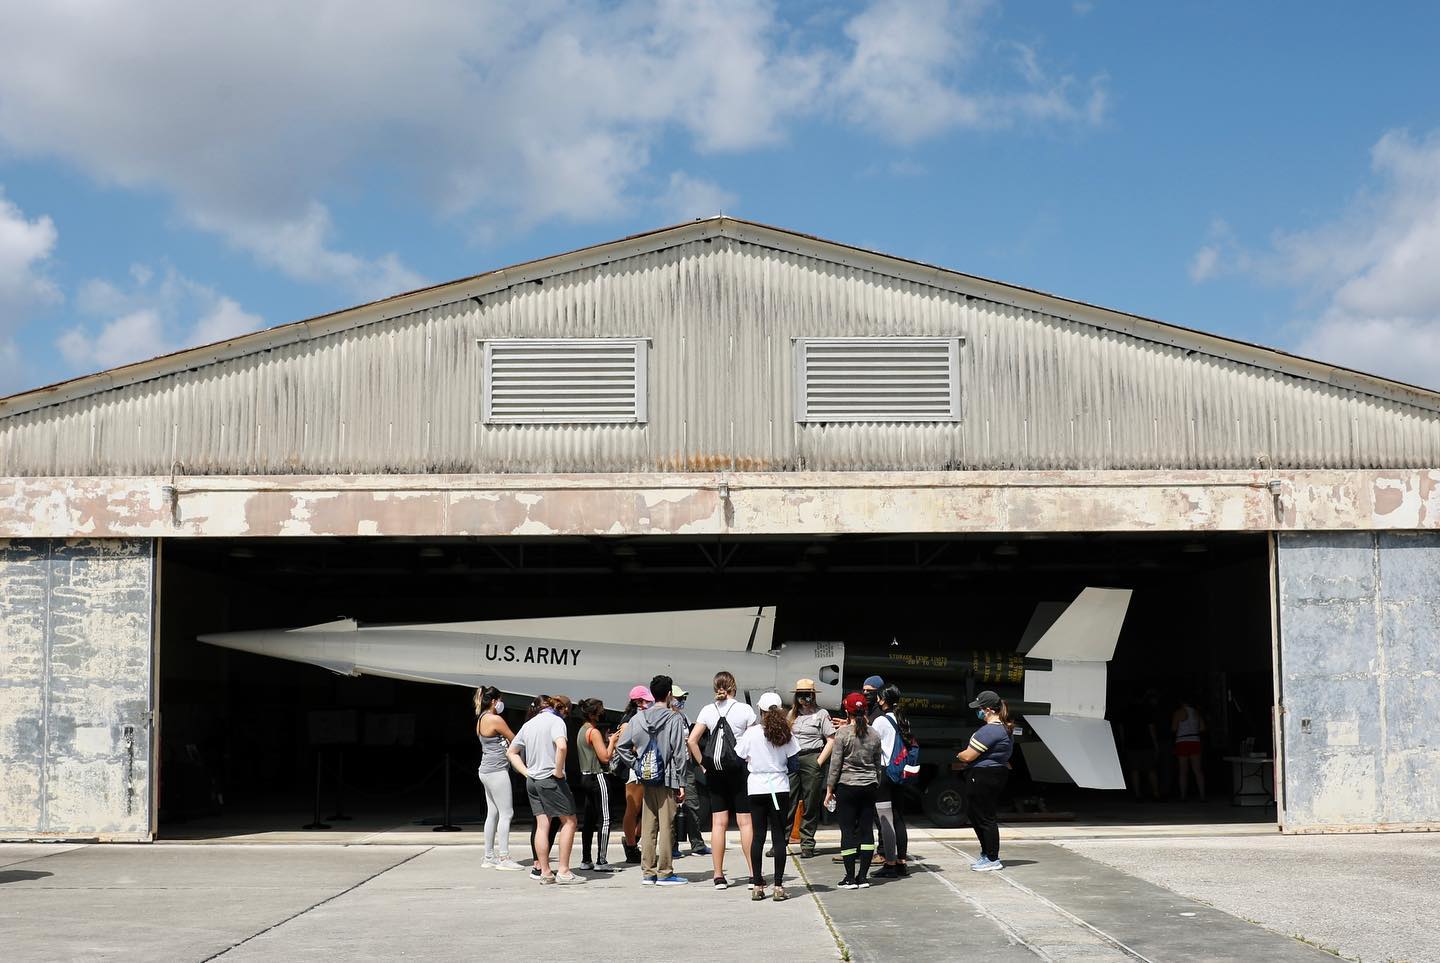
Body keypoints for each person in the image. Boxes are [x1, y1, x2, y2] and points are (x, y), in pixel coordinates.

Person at [687, 670, 758, 890]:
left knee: (718, 823)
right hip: (739, 771)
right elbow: (755, 740)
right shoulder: (745, 710)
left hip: (715, 773)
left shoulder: (707, 710)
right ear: (733, 687)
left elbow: (692, 741)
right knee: (745, 822)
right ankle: (753, 874)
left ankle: (718, 875)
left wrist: (704, 766)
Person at [506, 695, 585, 885]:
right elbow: (562, 746)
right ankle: (564, 871)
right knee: (570, 821)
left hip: (532, 779)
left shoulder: (530, 724)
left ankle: (546, 871)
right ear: (563, 709)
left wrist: (526, 772)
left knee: (543, 824)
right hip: (550, 779)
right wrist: (558, 771)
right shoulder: (556, 722)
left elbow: (511, 752)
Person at [621, 674, 692, 886]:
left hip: (647, 777)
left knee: (649, 825)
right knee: (666, 825)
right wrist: (682, 782)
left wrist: (637, 764)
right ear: (669, 694)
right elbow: (679, 752)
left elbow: (621, 747)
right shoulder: (674, 718)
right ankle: (665, 872)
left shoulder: (638, 718)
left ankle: (648, 872)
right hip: (668, 778)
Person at [736, 691, 799, 901]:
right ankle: (779, 886)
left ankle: (757, 884)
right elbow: (794, 764)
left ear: (760, 711)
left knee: (758, 837)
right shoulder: (786, 733)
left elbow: (739, 756)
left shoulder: (752, 733)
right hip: (778, 787)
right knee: (779, 837)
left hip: (757, 786)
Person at [824, 691, 882, 889]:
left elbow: (835, 765)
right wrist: (876, 783)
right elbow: (877, 764)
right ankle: (863, 877)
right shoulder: (874, 734)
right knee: (867, 830)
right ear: (865, 709)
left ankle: (849, 877)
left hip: (847, 787)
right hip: (868, 787)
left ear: (846, 711)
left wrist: (829, 790)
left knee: (847, 831)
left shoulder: (842, 734)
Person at [955, 689, 1014, 872]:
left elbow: (968, 756)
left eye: (980, 708)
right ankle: (987, 853)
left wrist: (958, 754)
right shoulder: (1003, 728)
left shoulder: (990, 731)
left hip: (983, 776)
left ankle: (992, 857)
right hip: (990, 774)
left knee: (984, 817)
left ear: (988, 709)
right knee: (977, 815)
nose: (978, 712)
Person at [779, 678, 834, 859]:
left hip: (812, 756)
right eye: (800, 695)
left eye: (807, 695)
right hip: (794, 757)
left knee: (810, 802)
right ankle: (782, 841)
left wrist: (819, 761)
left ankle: (807, 843)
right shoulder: (792, 715)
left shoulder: (821, 714)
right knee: (788, 800)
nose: (804, 699)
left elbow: (831, 739)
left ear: (813, 695)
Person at [474, 686, 524, 870]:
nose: (502, 703)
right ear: (494, 701)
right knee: (507, 813)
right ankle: (504, 858)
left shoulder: (481, 719)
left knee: (493, 813)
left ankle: (489, 856)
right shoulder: (496, 719)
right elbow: (515, 739)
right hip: (497, 771)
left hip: (485, 770)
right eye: (500, 700)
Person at [576, 697, 622, 872]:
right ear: (594, 713)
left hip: (585, 776)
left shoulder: (582, 730)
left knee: (589, 820)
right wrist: (612, 742)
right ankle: (601, 861)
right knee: (605, 819)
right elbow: (605, 757)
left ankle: (586, 859)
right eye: (601, 709)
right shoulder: (593, 732)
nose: (604, 712)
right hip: (598, 777)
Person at [870, 684, 910, 878]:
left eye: (878, 697)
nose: (877, 700)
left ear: (883, 700)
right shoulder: (903, 719)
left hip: (885, 772)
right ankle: (902, 862)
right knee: (899, 818)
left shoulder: (880, 721)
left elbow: (871, 744)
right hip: (901, 771)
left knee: (886, 819)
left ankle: (890, 864)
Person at [670, 685, 712, 859]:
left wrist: (700, 763)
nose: (681, 702)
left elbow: (691, 741)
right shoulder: (664, 718)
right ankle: (671, 846)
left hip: (686, 764)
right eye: (679, 698)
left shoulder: (684, 717)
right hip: (671, 765)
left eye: (683, 699)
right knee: (671, 807)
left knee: (693, 803)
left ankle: (697, 843)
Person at [616, 686, 653, 864]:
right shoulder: (628, 721)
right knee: (634, 809)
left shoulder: (641, 717)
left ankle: (633, 841)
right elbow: (624, 745)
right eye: (644, 700)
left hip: (647, 765)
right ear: (637, 701)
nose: (648, 703)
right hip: (635, 768)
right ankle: (631, 845)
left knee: (646, 809)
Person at [1119, 693, 1161, 802]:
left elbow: (1121, 728)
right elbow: (1151, 728)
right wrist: (1155, 744)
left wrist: (1123, 743)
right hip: (1146, 743)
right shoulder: (1147, 710)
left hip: (1131, 744)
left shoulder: (1126, 711)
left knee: (1134, 770)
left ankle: (1138, 794)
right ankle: (1156, 793)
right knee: (1151, 769)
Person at [1172, 695, 1207, 802]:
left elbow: (1173, 728)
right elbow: (1203, 728)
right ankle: (1202, 796)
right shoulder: (1196, 712)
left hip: (1182, 741)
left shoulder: (1178, 712)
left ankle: (1183, 796)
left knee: (1183, 771)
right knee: (1198, 770)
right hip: (1195, 740)